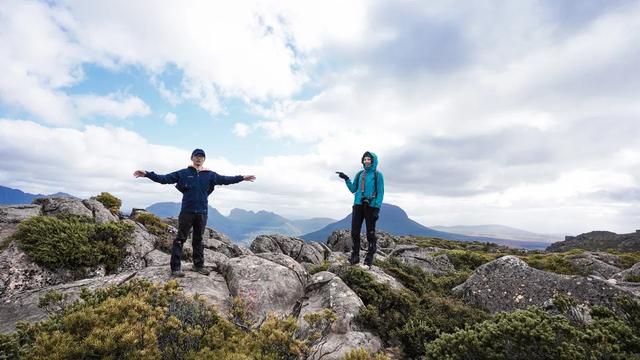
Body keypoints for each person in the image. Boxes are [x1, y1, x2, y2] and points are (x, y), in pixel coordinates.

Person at [134, 148, 256, 277]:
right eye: (196, 156)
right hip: (187, 212)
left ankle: (198, 266)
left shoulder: (210, 175)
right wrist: (147, 174)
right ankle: (175, 268)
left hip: (202, 213)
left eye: (201, 157)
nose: (199, 159)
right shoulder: (183, 173)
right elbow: (163, 178)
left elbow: (226, 179)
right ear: (192, 158)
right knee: (180, 239)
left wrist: (242, 178)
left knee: (198, 240)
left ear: (204, 160)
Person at [337, 151, 384, 267]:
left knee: (370, 233)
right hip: (358, 205)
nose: (366, 161)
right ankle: (355, 255)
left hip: (371, 206)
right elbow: (353, 189)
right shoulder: (360, 174)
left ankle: (369, 257)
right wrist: (346, 179)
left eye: (369, 159)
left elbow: (380, 192)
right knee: (354, 232)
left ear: (373, 161)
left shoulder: (378, 175)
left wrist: (377, 208)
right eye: (365, 159)